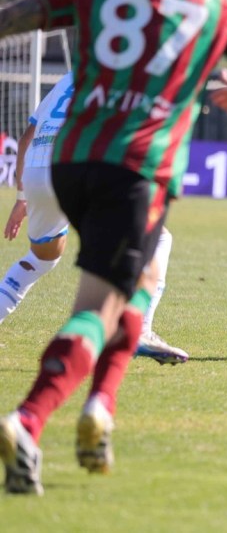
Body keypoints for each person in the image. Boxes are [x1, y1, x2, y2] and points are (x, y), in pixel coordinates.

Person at [0, 0, 227, 495]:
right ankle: (31, 419)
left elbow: (18, 14)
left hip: (65, 161)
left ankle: (100, 409)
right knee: (99, 308)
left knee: (142, 272)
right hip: (133, 168)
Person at [0, 72, 188, 366]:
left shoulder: (69, 76)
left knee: (41, 259)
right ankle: (141, 329)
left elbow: (27, 136)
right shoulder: (125, 73)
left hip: (37, 171)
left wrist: (22, 198)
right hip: (78, 164)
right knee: (158, 238)